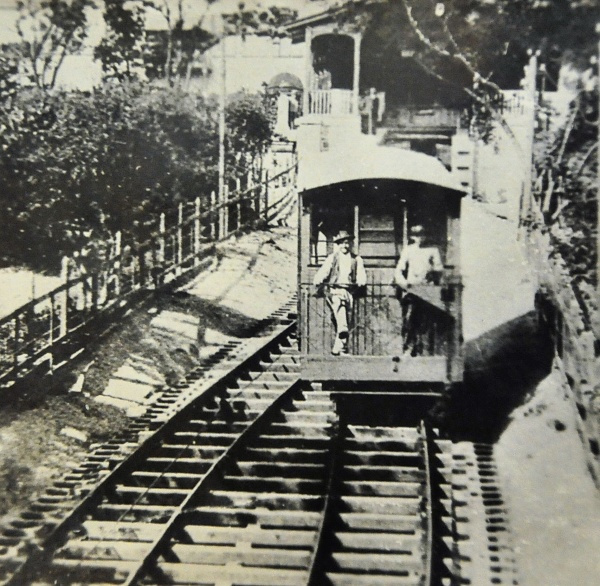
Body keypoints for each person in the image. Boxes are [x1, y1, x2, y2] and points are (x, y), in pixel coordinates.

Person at [314, 230, 367, 355]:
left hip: (349, 291)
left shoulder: (356, 259)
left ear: (350, 244)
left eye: (347, 243)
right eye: (342, 243)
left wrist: (361, 281)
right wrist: (318, 279)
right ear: (338, 244)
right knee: (340, 303)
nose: (345, 246)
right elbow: (324, 271)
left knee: (345, 318)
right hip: (335, 290)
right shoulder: (333, 258)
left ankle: (338, 348)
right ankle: (343, 328)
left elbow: (361, 274)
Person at [393, 224, 443, 355]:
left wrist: (431, 274)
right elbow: (399, 270)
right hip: (412, 290)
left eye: (421, 235)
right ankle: (408, 348)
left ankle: (425, 351)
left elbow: (439, 269)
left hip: (426, 290)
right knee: (410, 319)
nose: (419, 238)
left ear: (425, 236)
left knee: (426, 321)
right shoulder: (408, 250)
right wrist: (404, 284)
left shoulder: (433, 250)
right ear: (412, 237)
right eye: (416, 235)